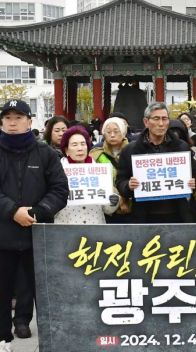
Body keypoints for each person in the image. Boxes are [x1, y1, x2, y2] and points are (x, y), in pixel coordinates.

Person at [0, 100, 68, 349]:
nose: (13, 122)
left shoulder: (46, 153)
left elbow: (60, 190)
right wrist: (12, 211)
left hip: (39, 235)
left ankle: (47, 341)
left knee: (42, 290)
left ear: (30, 122)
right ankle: (3, 340)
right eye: (8, 118)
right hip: (3, 234)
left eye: (19, 117)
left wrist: (39, 212)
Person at [115, 102, 196, 223]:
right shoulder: (131, 150)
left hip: (178, 215)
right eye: (156, 119)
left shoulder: (181, 147)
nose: (161, 123)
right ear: (146, 122)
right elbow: (120, 180)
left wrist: (192, 183)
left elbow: (195, 174)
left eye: (164, 119)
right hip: (144, 217)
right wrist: (128, 185)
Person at [54, 126, 119, 224]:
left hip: (95, 228)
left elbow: (107, 209)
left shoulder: (100, 172)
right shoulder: (57, 172)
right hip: (66, 228)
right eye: (74, 145)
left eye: (83, 144)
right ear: (66, 150)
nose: (80, 148)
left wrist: (113, 201)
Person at [88, 117, 131, 223]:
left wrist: (125, 199)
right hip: (106, 207)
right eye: (108, 132)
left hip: (131, 207)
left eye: (116, 131)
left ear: (123, 132)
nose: (112, 135)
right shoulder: (95, 154)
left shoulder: (134, 151)